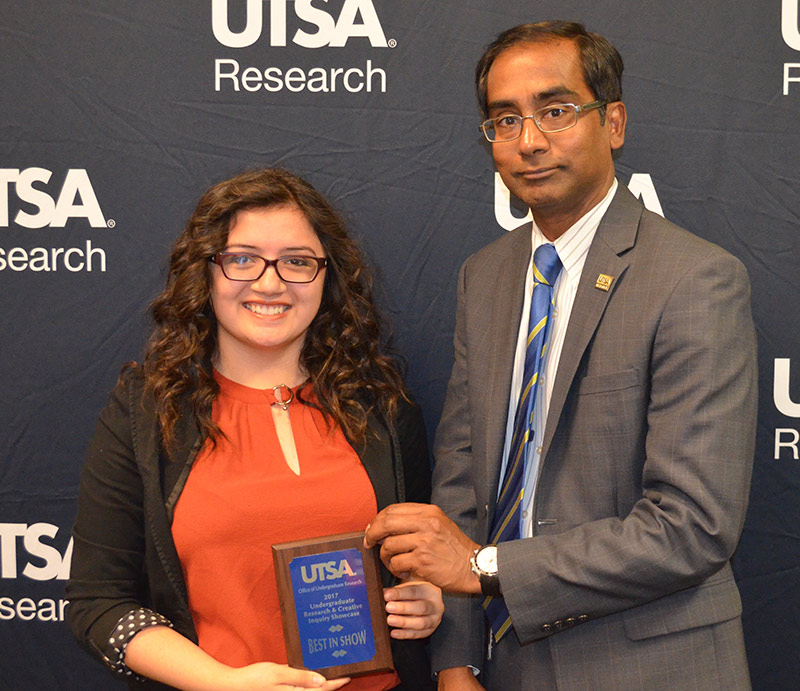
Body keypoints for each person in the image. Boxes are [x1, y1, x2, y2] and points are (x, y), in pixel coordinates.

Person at [364, 20, 757, 690]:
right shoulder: (484, 277)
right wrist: (455, 660)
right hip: (508, 666)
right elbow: (461, 487)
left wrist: (487, 569)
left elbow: (692, 526)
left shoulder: (694, 279)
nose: (530, 141)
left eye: (555, 110)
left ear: (615, 123)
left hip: (653, 666)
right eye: (504, 120)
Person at [67, 168, 442, 691]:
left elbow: (419, 562)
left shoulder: (381, 404)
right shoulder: (146, 411)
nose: (270, 282)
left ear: (327, 276)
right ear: (207, 272)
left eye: (296, 261)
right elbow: (98, 604)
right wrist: (222, 682)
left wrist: (424, 600)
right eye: (242, 258)